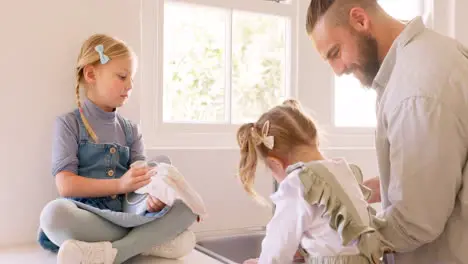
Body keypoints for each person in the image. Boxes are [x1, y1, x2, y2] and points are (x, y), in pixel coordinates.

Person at [306, 0, 468, 263]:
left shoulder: (415, 91)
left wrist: (324, 246)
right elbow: (441, 175)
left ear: (360, 20)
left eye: (335, 52)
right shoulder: (435, 52)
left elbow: (416, 221)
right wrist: (359, 193)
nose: (338, 70)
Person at [38, 34, 197, 264]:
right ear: (91, 74)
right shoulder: (69, 124)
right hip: (87, 218)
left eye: (131, 78)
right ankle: (148, 243)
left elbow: (140, 189)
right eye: (122, 76)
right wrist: (119, 184)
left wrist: (153, 198)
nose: (130, 85)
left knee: (187, 207)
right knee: (52, 216)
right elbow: (65, 185)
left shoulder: (132, 130)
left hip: (129, 215)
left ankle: (112, 252)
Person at [236, 99, 391, 264]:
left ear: (276, 163)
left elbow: (278, 244)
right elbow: (331, 236)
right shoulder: (342, 170)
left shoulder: (297, 182)